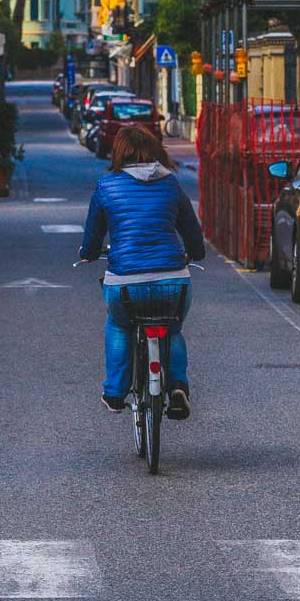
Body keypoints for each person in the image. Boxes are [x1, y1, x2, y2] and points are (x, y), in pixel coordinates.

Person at [79, 123, 205, 419]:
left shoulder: (106, 186)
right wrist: (194, 255)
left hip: (125, 285)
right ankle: (177, 388)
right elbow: (193, 235)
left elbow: (92, 239)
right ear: (155, 151)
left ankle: (115, 392)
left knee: (119, 325)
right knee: (172, 329)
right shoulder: (171, 183)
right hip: (173, 282)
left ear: (118, 153)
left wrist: (88, 254)